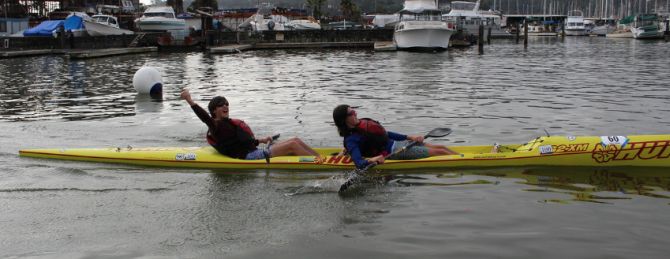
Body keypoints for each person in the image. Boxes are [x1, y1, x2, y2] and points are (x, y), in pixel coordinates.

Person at [181, 89, 324, 163]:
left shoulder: (228, 124)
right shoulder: (215, 126)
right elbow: (204, 117)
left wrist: (260, 140)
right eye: (221, 105)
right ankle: (321, 164)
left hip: (254, 151)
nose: (225, 106)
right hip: (248, 157)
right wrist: (189, 100)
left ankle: (322, 158)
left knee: (296, 140)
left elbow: (240, 142)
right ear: (214, 111)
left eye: (227, 104)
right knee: (292, 144)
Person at [332, 104, 458, 169]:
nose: (355, 112)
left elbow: (385, 134)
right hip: (394, 152)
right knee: (439, 152)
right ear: (344, 120)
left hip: (397, 144)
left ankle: (459, 157)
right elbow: (359, 163)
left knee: (441, 147)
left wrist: (410, 137)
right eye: (351, 113)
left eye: (353, 110)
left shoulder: (362, 124)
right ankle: (461, 165)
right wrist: (373, 159)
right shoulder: (351, 140)